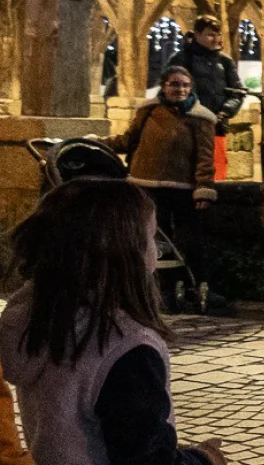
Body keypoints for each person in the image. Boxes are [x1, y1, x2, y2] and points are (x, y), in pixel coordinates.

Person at [0, 178, 227, 465]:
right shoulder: (126, 348)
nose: (156, 253)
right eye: (149, 240)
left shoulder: (39, 322)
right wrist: (204, 459)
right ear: (123, 253)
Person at [103, 65, 218, 314]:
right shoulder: (148, 111)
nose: (180, 89)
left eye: (185, 85)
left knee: (185, 240)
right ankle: (152, 289)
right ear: (163, 86)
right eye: (175, 84)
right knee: (150, 240)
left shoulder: (202, 118)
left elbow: (205, 157)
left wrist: (204, 188)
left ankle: (189, 285)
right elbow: (129, 139)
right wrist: (99, 143)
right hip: (144, 185)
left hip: (181, 188)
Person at [166, 16, 243, 182]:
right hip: (186, 127)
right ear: (198, 35)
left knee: (216, 173)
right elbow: (168, 90)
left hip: (216, 126)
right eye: (210, 35)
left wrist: (225, 112)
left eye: (218, 34)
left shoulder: (225, 62)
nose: (216, 39)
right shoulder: (181, 59)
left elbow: (237, 92)